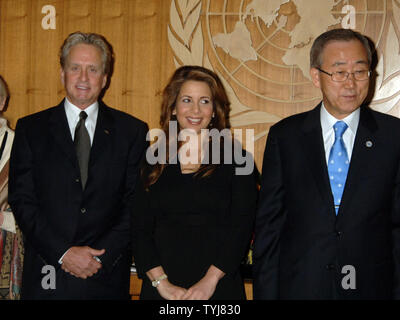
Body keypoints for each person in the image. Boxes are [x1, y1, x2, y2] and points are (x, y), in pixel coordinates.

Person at [253, 28, 400, 299]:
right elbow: (270, 229)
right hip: (301, 286)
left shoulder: (393, 137)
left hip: (369, 287)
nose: (351, 83)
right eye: (339, 72)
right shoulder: (286, 137)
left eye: (359, 71)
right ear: (316, 76)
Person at [8, 32, 148, 299]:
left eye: (92, 70)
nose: (83, 78)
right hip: (46, 279)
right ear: (62, 73)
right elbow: (22, 199)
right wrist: (64, 253)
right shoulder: (31, 130)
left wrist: (98, 258)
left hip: (104, 277)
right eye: (75, 68)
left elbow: (135, 203)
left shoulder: (131, 132)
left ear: (105, 78)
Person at [131, 65, 257, 300]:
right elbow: (139, 230)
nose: (196, 110)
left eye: (205, 101)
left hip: (219, 288)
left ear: (214, 109)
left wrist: (210, 281)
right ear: (173, 107)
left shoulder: (239, 161)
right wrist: (161, 283)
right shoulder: (151, 161)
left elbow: (241, 229)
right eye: (187, 100)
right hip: (161, 289)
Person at [0, 76, 23, 300]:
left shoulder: (20, 146)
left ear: (2, 102)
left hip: (5, 250)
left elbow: (31, 206)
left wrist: (5, 219)